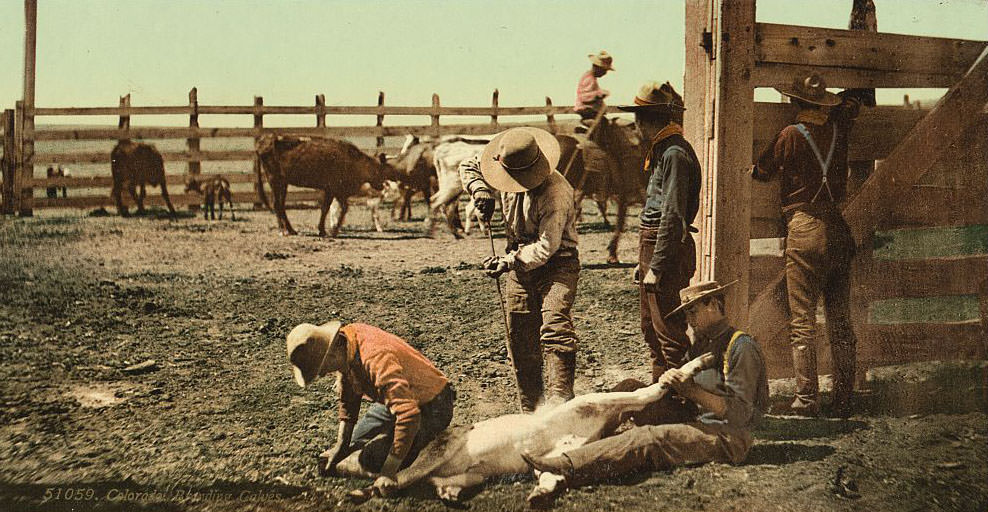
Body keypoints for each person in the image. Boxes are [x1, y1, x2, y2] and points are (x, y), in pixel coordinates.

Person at [521, 281, 769, 509]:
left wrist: (690, 390)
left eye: (692, 312)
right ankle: (576, 442)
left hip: (728, 437)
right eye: (686, 315)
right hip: (697, 415)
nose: (689, 321)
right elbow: (683, 385)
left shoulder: (741, 347)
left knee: (648, 439)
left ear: (713, 305)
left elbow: (740, 415)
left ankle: (566, 464)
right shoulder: (704, 343)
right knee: (629, 389)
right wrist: (669, 383)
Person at [752, 73, 861, 417]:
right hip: (838, 229)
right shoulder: (837, 131)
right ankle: (843, 397)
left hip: (804, 228)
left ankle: (806, 398)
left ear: (797, 105)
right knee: (840, 319)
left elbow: (761, 171)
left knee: (803, 321)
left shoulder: (789, 135)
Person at [460, 127, 580, 412]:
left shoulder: (556, 192)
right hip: (518, 265)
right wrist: (479, 190)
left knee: (554, 326)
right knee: (519, 335)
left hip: (557, 264)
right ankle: (531, 409)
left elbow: (546, 247)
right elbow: (468, 164)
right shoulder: (500, 163)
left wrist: (507, 262)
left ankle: (559, 405)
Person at [286, 320, 456, 495]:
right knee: (352, 446)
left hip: (434, 404)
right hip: (395, 399)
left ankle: (423, 444)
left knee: (371, 459)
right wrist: (341, 445)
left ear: (331, 352)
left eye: (321, 368)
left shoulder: (375, 358)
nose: (322, 374)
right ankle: (388, 443)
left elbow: (408, 415)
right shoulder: (347, 341)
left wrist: (387, 473)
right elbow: (348, 385)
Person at [617, 81, 701, 384]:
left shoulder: (675, 153)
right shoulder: (664, 149)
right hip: (652, 245)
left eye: (638, 120)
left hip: (665, 247)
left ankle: (684, 401)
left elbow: (673, 215)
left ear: (644, 121)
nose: (636, 128)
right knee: (650, 327)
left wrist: (657, 265)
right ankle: (661, 395)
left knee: (668, 332)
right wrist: (645, 262)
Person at [574, 50, 614, 122]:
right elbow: (584, 97)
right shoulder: (589, 79)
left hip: (588, 109)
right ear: (597, 68)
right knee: (603, 122)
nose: (605, 73)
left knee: (603, 121)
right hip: (586, 109)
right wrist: (599, 94)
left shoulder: (590, 78)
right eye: (604, 70)